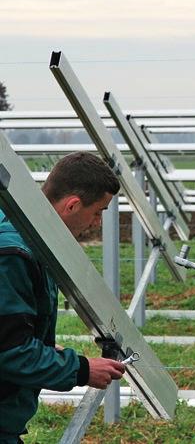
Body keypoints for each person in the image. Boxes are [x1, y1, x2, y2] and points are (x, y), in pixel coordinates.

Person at [0, 152, 126, 444]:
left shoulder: (27, 234)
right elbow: (9, 351)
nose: (96, 223)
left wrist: (40, 342)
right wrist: (81, 369)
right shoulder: (13, 255)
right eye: (98, 212)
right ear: (72, 204)